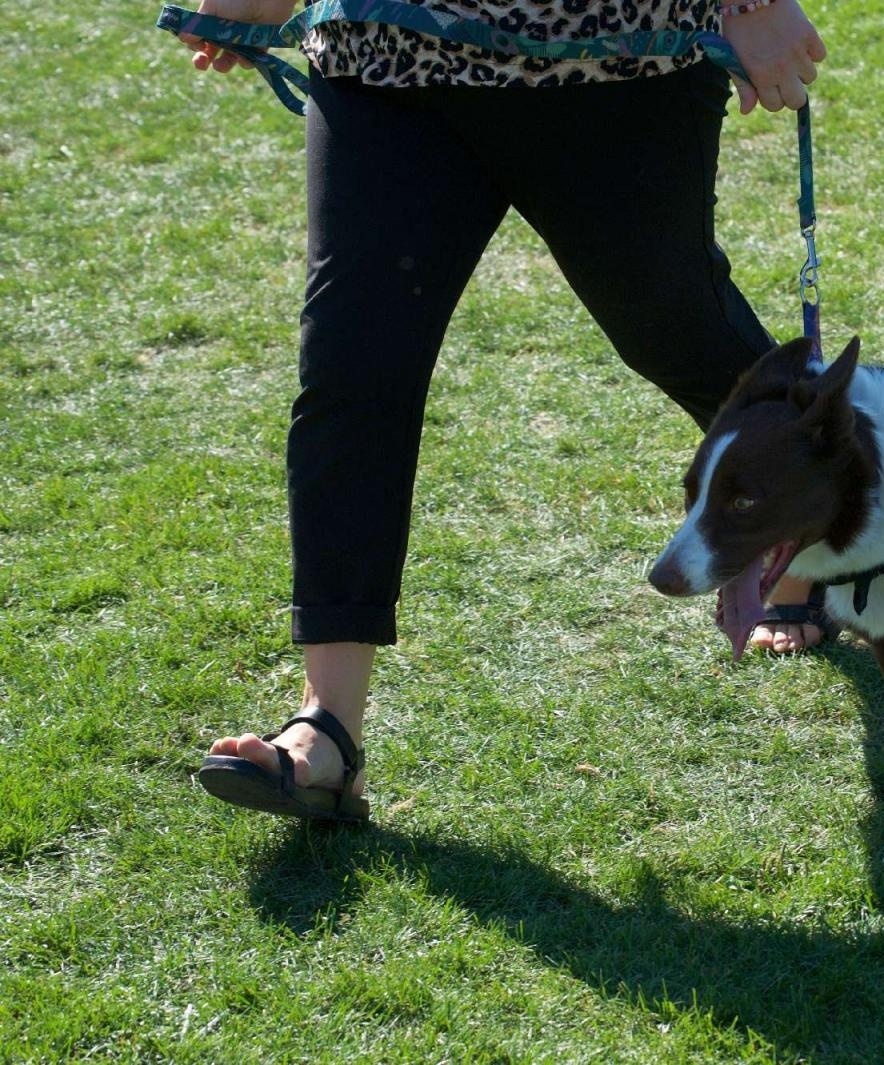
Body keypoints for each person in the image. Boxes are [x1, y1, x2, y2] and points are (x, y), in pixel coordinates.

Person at [182, 0, 831, 821]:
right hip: (384, 58)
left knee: (675, 331)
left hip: (614, 60)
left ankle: (816, 522)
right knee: (354, 368)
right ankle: (329, 727)